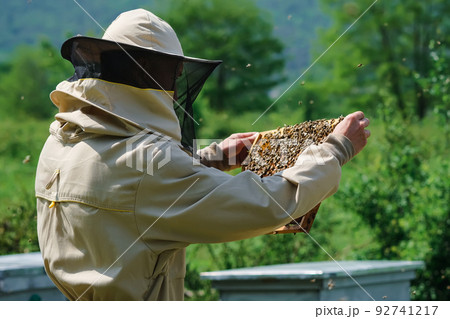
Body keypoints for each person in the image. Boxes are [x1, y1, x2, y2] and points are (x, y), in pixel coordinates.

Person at [35, 9, 370, 301]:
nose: (177, 80)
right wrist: (335, 149)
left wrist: (210, 158)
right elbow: (266, 204)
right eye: (171, 70)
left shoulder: (61, 141)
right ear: (142, 71)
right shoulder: (146, 170)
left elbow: (128, 182)